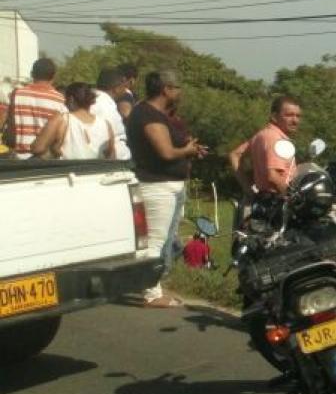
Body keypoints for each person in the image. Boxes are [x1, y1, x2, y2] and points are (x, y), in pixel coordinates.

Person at [125, 70, 208, 308]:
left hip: (166, 184)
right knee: (155, 241)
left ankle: (152, 285)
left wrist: (190, 148)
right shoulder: (148, 115)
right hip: (156, 185)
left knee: (162, 239)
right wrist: (188, 151)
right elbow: (166, 152)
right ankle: (151, 293)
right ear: (166, 89)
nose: (180, 92)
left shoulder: (154, 114)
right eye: (177, 88)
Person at [229, 95, 301, 198]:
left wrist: (247, 189)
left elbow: (235, 154)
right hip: (278, 202)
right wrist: (294, 197)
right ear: (274, 117)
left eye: (298, 116)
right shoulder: (275, 139)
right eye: (289, 115)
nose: (295, 121)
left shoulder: (263, 134)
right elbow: (273, 176)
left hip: (264, 200)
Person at [29, 83, 114, 160]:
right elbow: (111, 156)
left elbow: (38, 148)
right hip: (96, 173)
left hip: (68, 173)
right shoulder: (106, 124)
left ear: (71, 99)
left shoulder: (62, 119)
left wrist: (54, 150)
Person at [4, 58, 65, 159]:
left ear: (32, 74)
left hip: (19, 158)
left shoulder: (17, 94)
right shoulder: (60, 99)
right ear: (54, 77)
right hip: (45, 159)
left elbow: (11, 130)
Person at [92, 68, 131, 160]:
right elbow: (108, 139)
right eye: (124, 86)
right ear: (116, 88)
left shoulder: (93, 99)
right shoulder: (106, 106)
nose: (125, 91)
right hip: (113, 162)